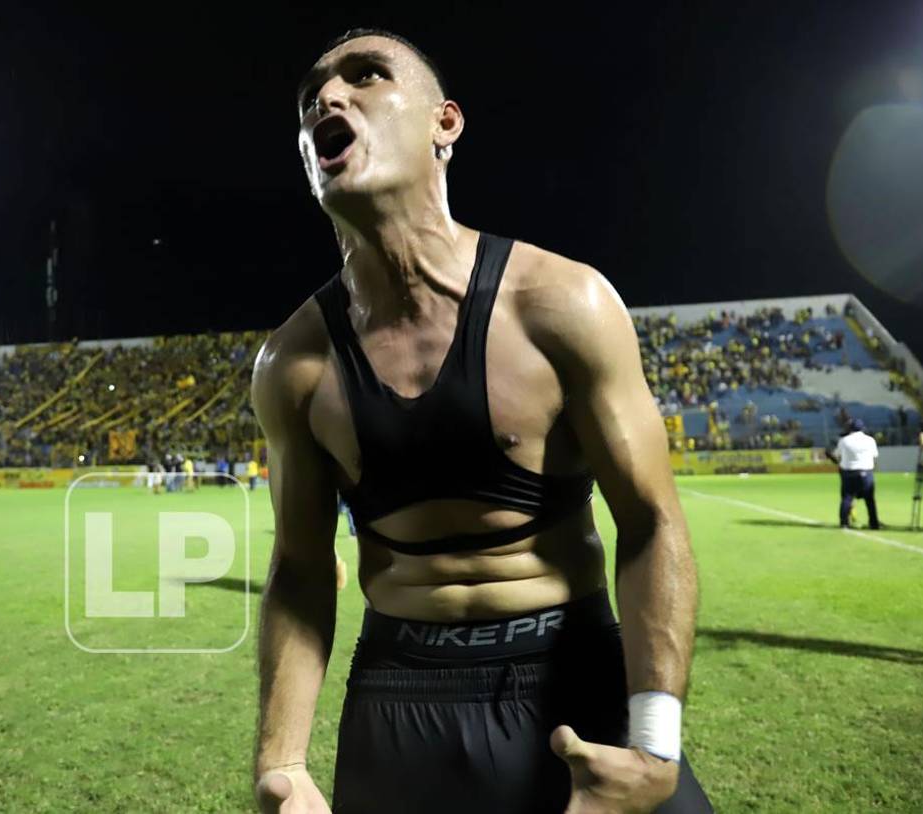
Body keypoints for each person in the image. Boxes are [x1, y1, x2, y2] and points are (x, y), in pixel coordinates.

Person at [252, 28, 710, 813]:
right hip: (399, 699)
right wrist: (282, 763)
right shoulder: (292, 365)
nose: (329, 98)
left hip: (572, 678)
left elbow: (650, 522)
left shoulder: (562, 304)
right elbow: (299, 568)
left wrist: (655, 744)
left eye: (366, 76)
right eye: (312, 98)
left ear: (445, 124)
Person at [828, 419, 880, 529]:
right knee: (870, 500)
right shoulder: (870, 440)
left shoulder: (844, 440)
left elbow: (837, 456)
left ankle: (844, 522)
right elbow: (875, 457)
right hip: (866, 471)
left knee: (847, 498)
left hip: (849, 472)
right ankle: (874, 523)